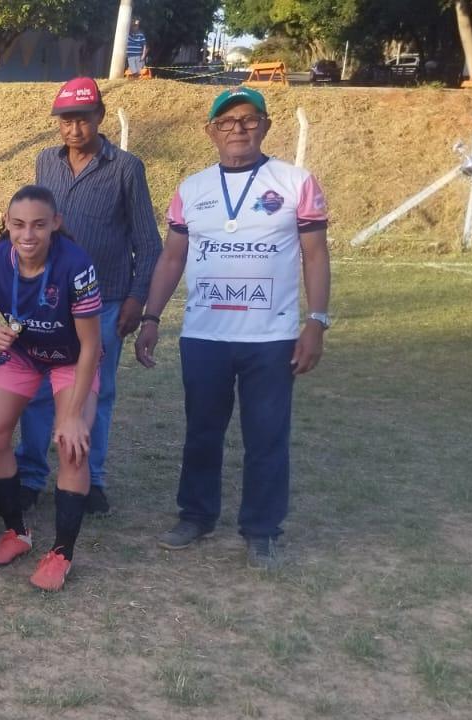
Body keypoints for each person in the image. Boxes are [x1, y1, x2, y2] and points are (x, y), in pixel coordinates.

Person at [136, 87, 331, 570]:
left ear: (265, 125)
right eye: (226, 122)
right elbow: (173, 257)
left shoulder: (295, 182)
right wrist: (151, 317)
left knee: (266, 434)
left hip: (271, 336)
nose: (238, 129)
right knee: (202, 431)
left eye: (248, 119)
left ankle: (262, 529)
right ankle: (196, 515)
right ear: (211, 131)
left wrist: (316, 322)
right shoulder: (192, 190)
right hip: (205, 335)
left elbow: (315, 254)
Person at [18, 77, 160, 516]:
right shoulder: (46, 162)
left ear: (100, 116)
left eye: (82, 119)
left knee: (98, 391)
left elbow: (148, 241)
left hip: (107, 299)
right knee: (40, 387)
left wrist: (139, 298)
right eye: (65, 120)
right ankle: (29, 476)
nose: (74, 129)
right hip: (50, 298)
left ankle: (91, 479)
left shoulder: (125, 167)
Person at [0, 186, 102, 592]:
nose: (27, 235)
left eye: (39, 225)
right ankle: (17, 532)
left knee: (71, 442)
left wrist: (72, 413)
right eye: (18, 224)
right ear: (7, 223)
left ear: (55, 225)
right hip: (25, 355)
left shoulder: (75, 263)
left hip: (72, 358)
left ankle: (61, 552)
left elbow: (92, 345)